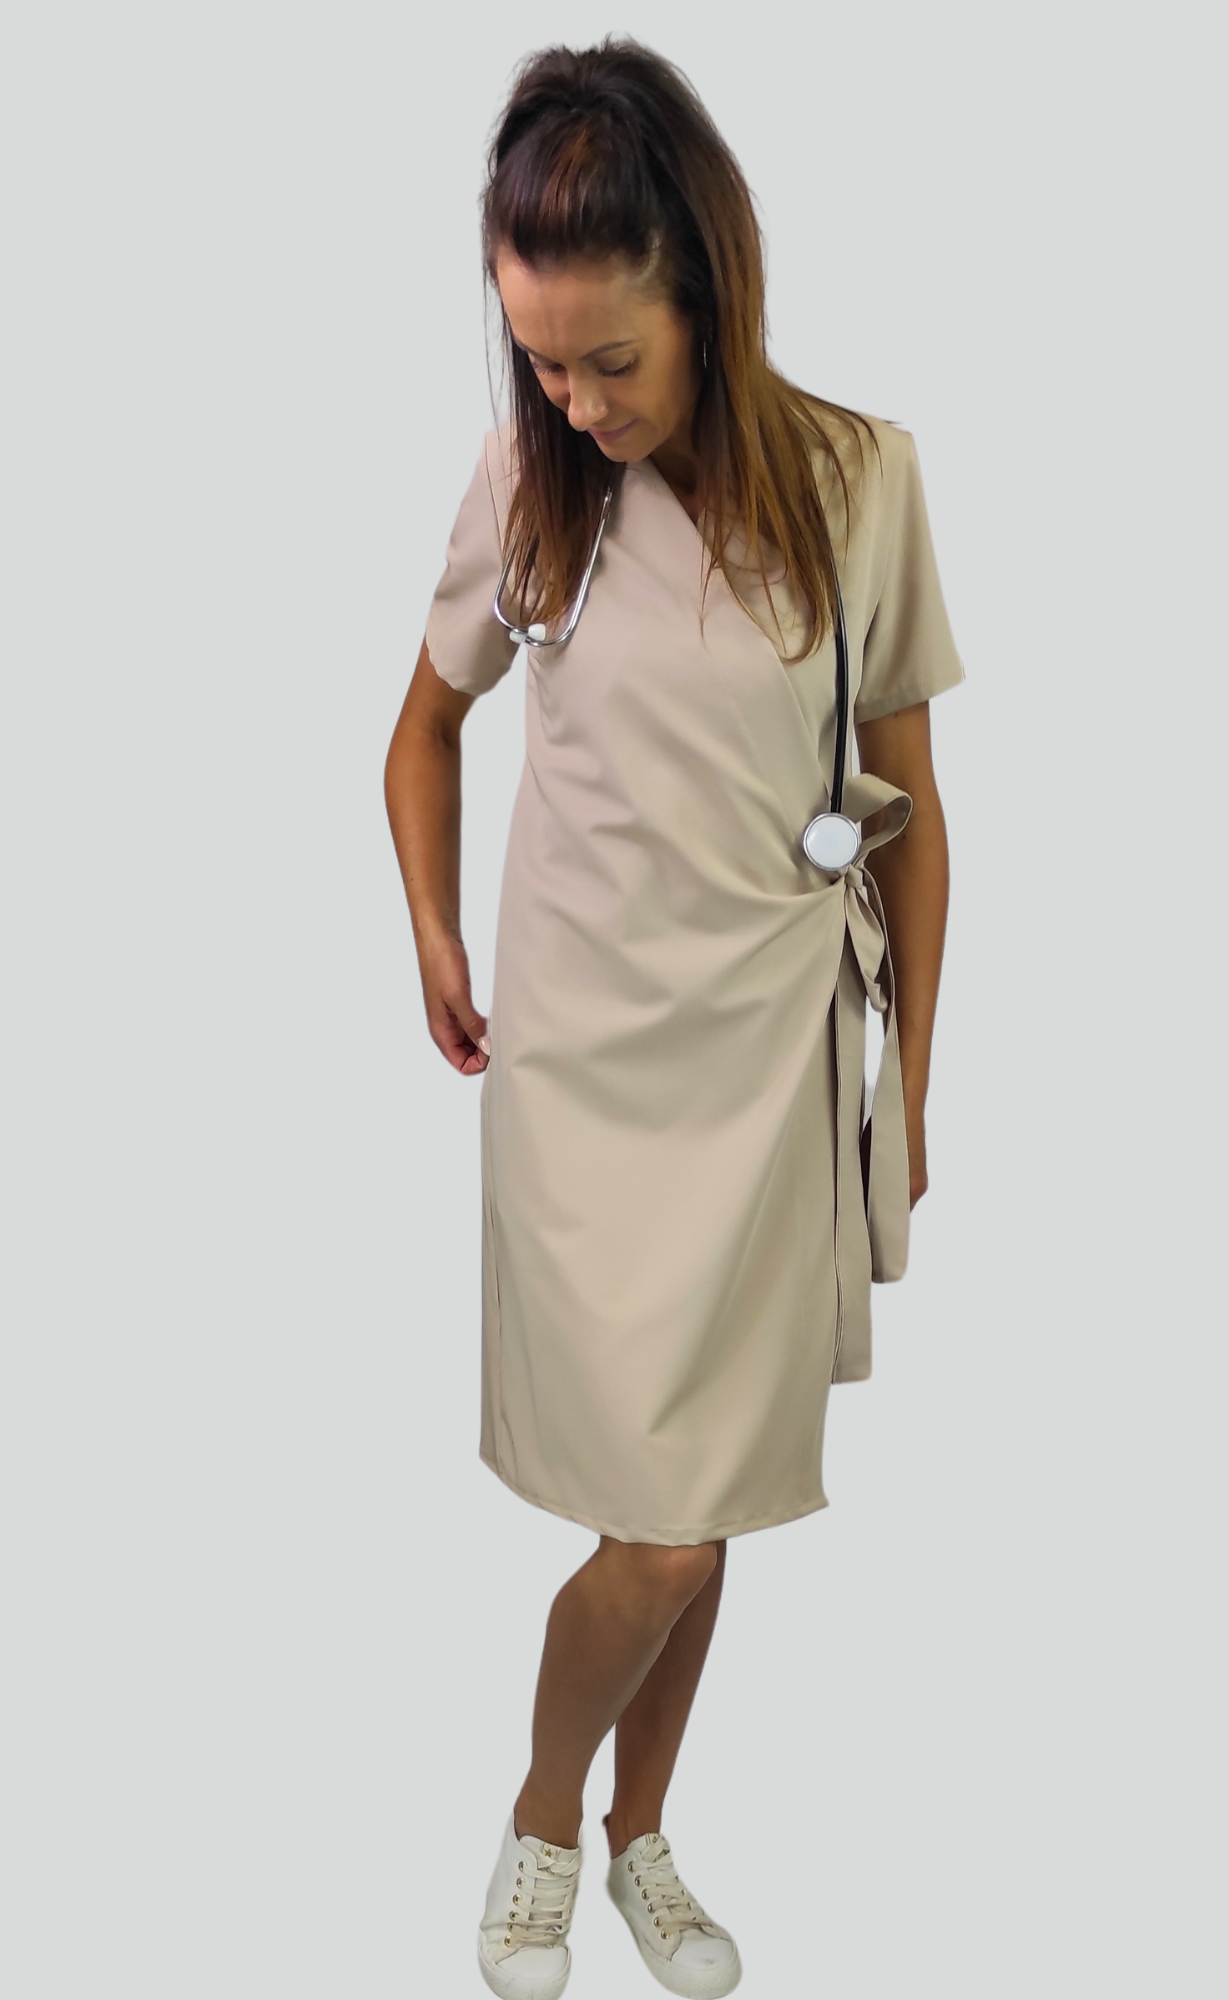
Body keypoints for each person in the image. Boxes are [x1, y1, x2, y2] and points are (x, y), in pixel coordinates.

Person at [384, 37, 964, 2000]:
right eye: (540, 361)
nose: (574, 400)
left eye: (609, 359)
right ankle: (547, 1818)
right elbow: (419, 732)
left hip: (764, 1079)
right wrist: (432, 932)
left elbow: (919, 821)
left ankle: (640, 1837)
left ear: (708, 285)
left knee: (701, 1515)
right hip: (581, 1082)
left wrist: (912, 1091)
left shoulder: (861, 484)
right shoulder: (530, 492)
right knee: (662, 1529)